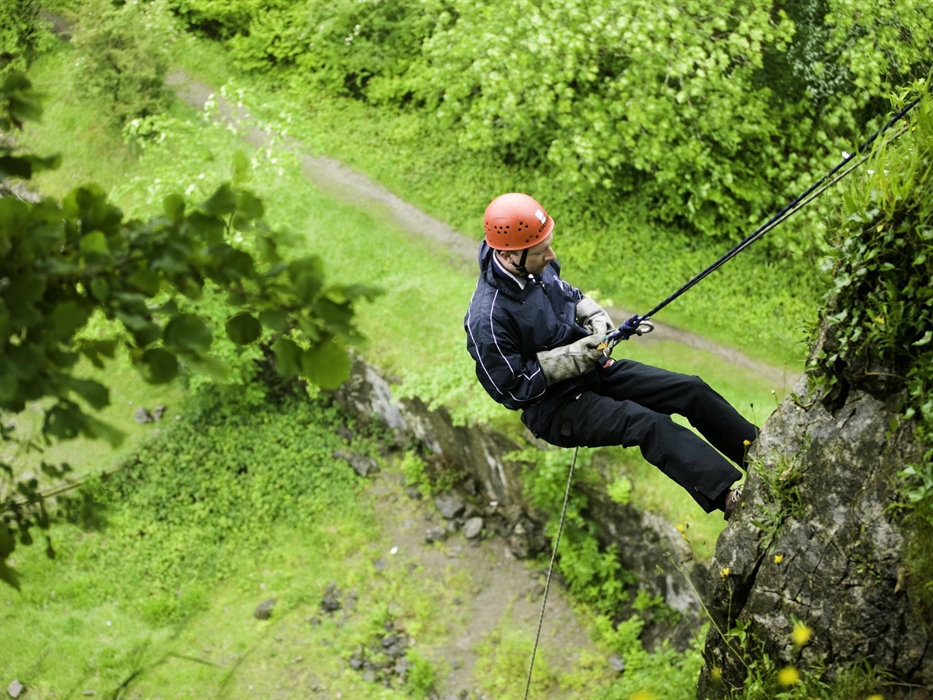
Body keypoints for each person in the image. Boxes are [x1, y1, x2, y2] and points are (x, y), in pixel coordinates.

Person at [464, 192, 757, 518]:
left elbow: (567, 295)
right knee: (647, 424)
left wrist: (594, 317)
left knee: (690, 389)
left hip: (593, 371)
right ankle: (731, 500)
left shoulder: (535, 266)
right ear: (508, 255)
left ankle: (758, 452)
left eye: (548, 244)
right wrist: (571, 358)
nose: (551, 255)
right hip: (556, 408)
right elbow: (509, 388)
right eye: (540, 251)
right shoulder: (487, 318)